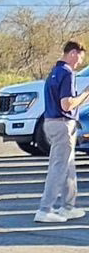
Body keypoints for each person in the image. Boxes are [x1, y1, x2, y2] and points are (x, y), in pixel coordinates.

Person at [35, 40, 88, 223]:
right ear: (73, 53)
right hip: (63, 123)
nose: (79, 63)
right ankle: (45, 209)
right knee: (59, 167)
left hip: (51, 122)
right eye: (80, 58)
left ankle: (68, 206)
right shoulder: (67, 73)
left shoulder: (54, 73)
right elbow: (67, 103)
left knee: (68, 165)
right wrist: (85, 94)